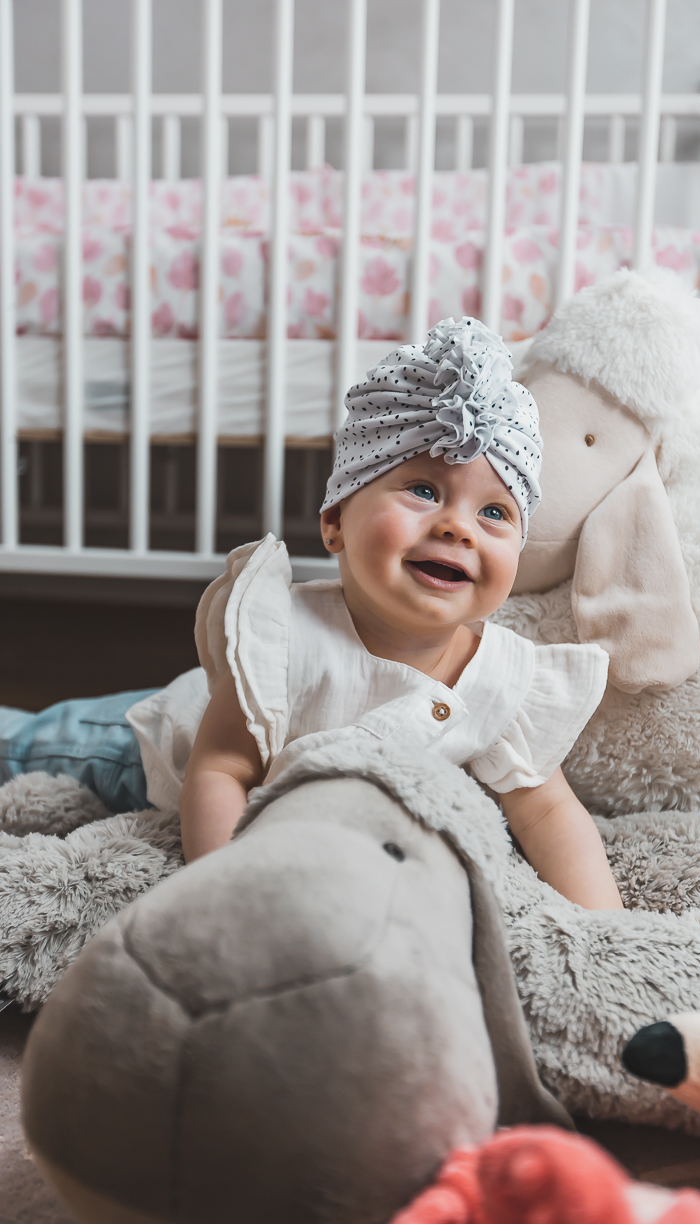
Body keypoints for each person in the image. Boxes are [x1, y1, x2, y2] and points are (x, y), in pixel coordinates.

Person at [0, 318, 622, 911]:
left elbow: (545, 812)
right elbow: (220, 770)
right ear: (335, 523)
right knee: (28, 744)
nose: (458, 527)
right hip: (145, 747)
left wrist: (605, 926)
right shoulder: (289, 636)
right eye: (424, 491)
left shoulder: (504, 679)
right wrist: (227, 893)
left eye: (494, 513)